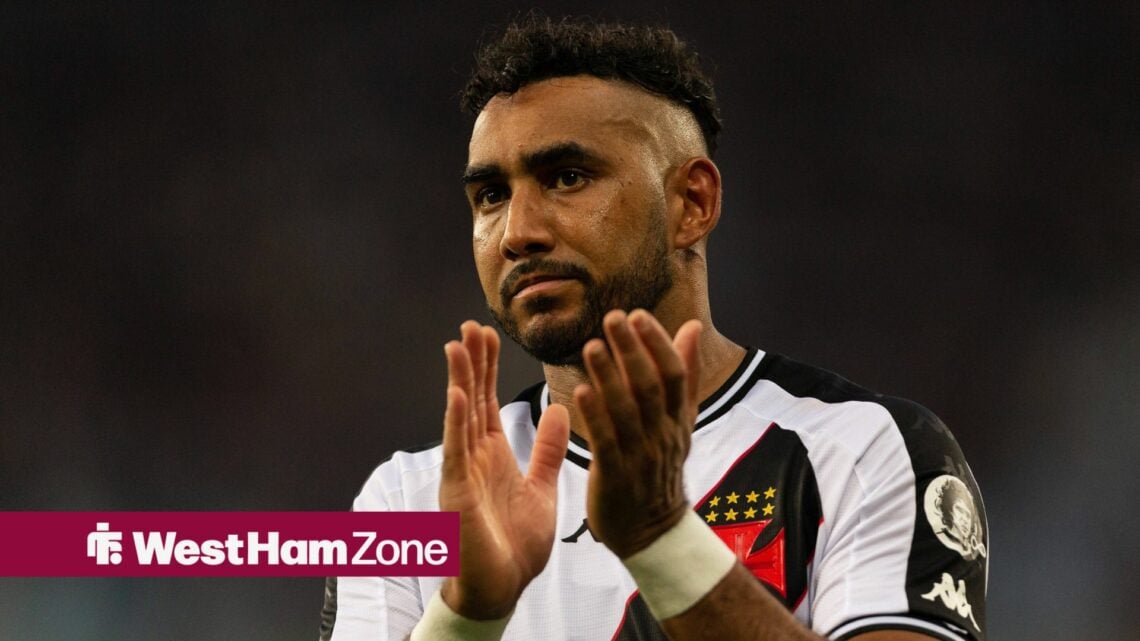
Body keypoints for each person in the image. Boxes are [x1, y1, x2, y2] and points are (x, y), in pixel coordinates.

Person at [320, 16, 988, 641]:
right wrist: (467, 617)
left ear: (692, 202)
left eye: (567, 177)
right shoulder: (407, 500)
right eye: (491, 195)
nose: (518, 232)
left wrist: (662, 540)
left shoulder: (864, 452)